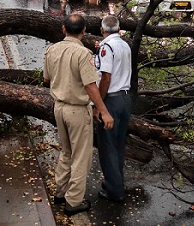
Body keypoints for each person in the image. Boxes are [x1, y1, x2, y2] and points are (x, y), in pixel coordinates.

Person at [43, 14, 114, 216]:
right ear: (84, 31)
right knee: (81, 156)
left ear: (63, 30)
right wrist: (103, 110)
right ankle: (73, 201)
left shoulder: (51, 50)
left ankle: (60, 192)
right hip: (76, 109)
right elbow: (90, 86)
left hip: (59, 107)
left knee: (66, 151)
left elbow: (47, 79)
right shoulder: (83, 54)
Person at [94, 15, 132, 203]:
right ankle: (117, 181)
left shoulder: (106, 47)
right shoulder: (124, 45)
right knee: (118, 145)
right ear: (119, 28)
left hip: (111, 100)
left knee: (107, 147)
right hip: (125, 99)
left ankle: (114, 191)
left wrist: (99, 105)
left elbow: (106, 78)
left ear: (102, 30)